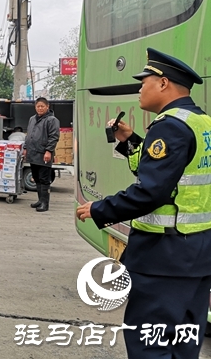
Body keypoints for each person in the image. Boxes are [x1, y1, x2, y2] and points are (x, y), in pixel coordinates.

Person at [76, 48, 211, 358]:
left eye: (144, 82)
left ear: (163, 84)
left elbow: (151, 191)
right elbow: (171, 175)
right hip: (197, 255)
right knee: (184, 344)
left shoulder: (169, 127)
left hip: (165, 258)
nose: (139, 89)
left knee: (150, 346)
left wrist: (99, 209)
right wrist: (131, 140)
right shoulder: (200, 122)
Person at [23, 97, 59, 212]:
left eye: (42, 106)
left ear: (47, 106)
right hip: (33, 153)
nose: (40, 108)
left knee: (44, 179)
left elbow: (54, 137)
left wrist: (49, 151)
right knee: (36, 178)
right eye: (38, 106)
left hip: (44, 154)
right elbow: (29, 134)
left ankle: (45, 203)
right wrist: (25, 148)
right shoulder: (32, 119)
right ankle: (39, 200)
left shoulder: (52, 120)